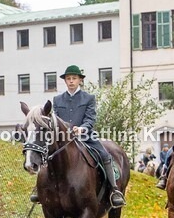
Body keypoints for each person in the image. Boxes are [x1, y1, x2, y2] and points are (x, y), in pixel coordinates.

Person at [31, 65, 125, 207]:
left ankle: (114, 190)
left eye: (74, 78)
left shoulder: (88, 98)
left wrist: (81, 129)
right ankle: (39, 189)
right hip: (62, 139)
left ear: (80, 80)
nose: (71, 81)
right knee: (46, 154)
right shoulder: (57, 99)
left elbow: (90, 118)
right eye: (68, 79)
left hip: (85, 136)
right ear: (65, 81)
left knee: (104, 155)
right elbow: (56, 120)